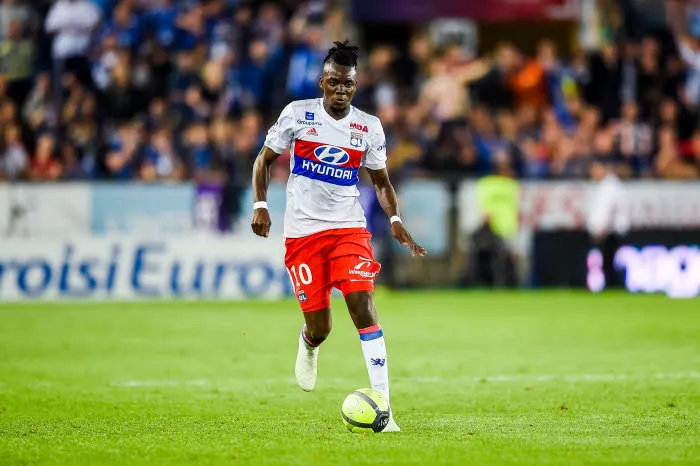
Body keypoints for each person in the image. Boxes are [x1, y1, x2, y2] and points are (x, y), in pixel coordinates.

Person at [251, 40, 426, 433]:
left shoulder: (369, 126)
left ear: (355, 84)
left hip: (348, 229)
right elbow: (263, 160)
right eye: (334, 82)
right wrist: (260, 205)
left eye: (348, 83)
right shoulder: (297, 114)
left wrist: (395, 218)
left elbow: (381, 181)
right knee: (321, 327)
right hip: (303, 235)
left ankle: (386, 410)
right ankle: (309, 343)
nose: (341, 89)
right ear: (322, 82)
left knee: (362, 304)